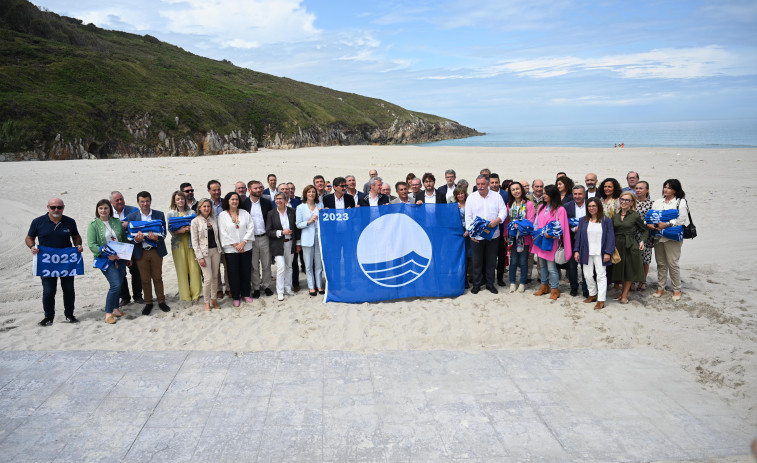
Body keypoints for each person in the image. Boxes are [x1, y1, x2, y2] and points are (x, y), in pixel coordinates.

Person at [26, 198, 83, 326]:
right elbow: (30, 237)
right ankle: (48, 316)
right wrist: (32, 246)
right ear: (48, 207)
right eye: (53, 207)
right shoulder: (38, 222)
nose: (56, 210)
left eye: (59, 207)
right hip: (47, 262)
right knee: (49, 291)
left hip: (66, 261)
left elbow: (76, 236)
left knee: (68, 289)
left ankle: (69, 315)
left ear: (63, 207)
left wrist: (78, 245)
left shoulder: (70, 221)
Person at [126, 191, 170, 315]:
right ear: (138, 203)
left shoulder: (159, 214)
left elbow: (164, 233)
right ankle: (148, 303)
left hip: (156, 250)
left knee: (157, 277)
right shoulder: (132, 217)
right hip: (141, 251)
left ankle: (161, 301)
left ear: (150, 201)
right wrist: (136, 239)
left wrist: (157, 238)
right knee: (145, 279)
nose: (145, 204)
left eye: (147, 201)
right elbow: (129, 236)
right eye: (142, 201)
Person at [87, 199, 129, 324]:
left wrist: (127, 256)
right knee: (115, 284)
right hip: (105, 259)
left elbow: (124, 238)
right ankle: (108, 313)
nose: (103, 210)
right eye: (101, 208)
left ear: (110, 209)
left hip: (120, 258)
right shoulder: (93, 225)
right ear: (97, 210)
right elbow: (92, 245)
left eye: (105, 208)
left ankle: (116, 309)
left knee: (120, 282)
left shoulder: (116, 222)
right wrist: (107, 254)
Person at [464, 175, 506, 294]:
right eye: (478, 184)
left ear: (487, 184)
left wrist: (497, 220)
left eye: (482, 184)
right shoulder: (471, 197)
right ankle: (477, 285)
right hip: (476, 236)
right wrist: (471, 233)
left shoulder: (496, 197)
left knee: (491, 261)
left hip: (493, 235)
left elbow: (503, 211)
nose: (480, 187)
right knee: (477, 261)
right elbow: (468, 217)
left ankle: (489, 284)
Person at [649, 179, 689, 302]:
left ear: (675, 190)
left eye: (669, 188)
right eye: (665, 187)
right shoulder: (658, 201)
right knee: (660, 263)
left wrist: (666, 224)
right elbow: (652, 216)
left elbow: (681, 219)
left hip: (672, 237)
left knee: (673, 263)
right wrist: (654, 225)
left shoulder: (680, 202)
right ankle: (661, 287)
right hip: (658, 235)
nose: (666, 189)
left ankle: (677, 289)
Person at [573, 198, 615, 310]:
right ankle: (592, 294)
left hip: (600, 253)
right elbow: (579, 237)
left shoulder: (606, 220)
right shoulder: (583, 220)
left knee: (601, 275)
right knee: (587, 275)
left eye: (594, 206)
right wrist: (576, 250)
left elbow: (611, 238)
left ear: (599, 207)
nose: (591, 208)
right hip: (586, 251)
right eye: (589, 206)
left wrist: (608, 252)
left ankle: (601, 299)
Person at [531, 185, 572, 300]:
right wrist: (535, 234)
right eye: (543, 193)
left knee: (551, 267)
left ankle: (555, 289)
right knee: (542, 265)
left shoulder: (560, 209)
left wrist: (553, 234)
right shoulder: (540, 208)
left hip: (552, 242)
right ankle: (544, 286)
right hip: (540, 241)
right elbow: (536, 223)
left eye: (546, 193)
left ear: (552, 195)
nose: (543, 195)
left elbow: (563, 228)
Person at [610, 191, 649, 304]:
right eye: (622, 199)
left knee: (629, 271)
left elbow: (645, 230)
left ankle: (624, 295)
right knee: (620, 270)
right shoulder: (615, 215)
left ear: (632, 202)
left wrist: (642, 241)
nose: (624, 202)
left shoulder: (635, 216)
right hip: (617, 245)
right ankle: (622, 292)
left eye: (627, 200)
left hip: (630, 244)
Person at [218, 192, 255, 306]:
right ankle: (235, 296)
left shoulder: (245, 213)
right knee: (233, 273)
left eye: (236, 199)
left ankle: (246, 294)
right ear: (228, 201)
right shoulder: (222, 215)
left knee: (245, 271)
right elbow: (223, 233)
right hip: (231, 249)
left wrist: (243, 243)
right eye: (232, 199)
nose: (235, 201)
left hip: (246, 247)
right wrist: (236, 245)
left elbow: (250, 227)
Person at [167, 190, 202, 302]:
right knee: (181, 270)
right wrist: (180, 230)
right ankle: (185, 296)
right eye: (178, 199)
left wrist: (189, 229)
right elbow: (170, 230)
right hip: (178, 244)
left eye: (182, 199)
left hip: (191, 243)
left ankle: (196, 295)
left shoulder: (192, 212)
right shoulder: (171, 213)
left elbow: (197, 227)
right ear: (174, 201)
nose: (180, 201)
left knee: (194, 268)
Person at [110, 191, 143, 306]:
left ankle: (138, 296)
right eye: (117, 200)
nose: (120, 202)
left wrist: (128, 225)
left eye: (121, 199)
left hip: (133, 245)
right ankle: (125, 297)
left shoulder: (133, 210)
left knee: (136, 272)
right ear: (111, 202)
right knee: (120, 272)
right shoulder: (107, 212)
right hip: (117, 247)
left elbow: (140, 223)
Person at [190, 198, 223, 311]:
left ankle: (214, 299)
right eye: (204, 206)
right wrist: (199, 257)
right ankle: (206, 301)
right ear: (199, 208)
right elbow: (195, 242)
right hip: (204, 253)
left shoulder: (214, 219)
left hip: (215, 251)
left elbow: (218, 236)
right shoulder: (195, 221)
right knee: (208, 278)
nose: (206, 208)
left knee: (215, 276)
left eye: (208, 206)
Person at [267, 192, 299, 301]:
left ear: (285, 200)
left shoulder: (292, 211)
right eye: (276, 199)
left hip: (290, 243)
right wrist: (281, 232)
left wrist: (298, 243)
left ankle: (288, 288)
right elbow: (269, 231)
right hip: (278, 244)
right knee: (281, 267)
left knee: (289, 267)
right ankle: (280, 291)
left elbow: (296, 228)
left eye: (280, 198)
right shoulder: (271, 213)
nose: (278, 201)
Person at [505, 181, 535, 293]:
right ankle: (512, 282)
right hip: (512, 237)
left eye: (517, 189)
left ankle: (522, 283)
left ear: (521, 190)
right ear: (511, 192)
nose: (516, 191)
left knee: (523, 261)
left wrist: (519, 225)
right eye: (513, 190)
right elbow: (507, 221)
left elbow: (531, 221)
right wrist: (506, 234)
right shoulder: (509, 204)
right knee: (513, 261)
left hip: (524, 237)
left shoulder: (529, 204)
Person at [247, 180, 274, 298]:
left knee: (267, 264)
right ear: (249, 190)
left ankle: (267, 286)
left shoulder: (266, 202)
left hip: (264, 237)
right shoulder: (244, 204)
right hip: (251, 239)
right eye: (255, 188)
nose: (258, 190)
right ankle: (256, 287)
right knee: (254, 266)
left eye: (259, 188)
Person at [296, 185, 324, 296]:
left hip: (319, 236)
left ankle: (319, 285)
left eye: (313, 192)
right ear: (305, 194)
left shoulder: (320, 205)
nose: (311, 194)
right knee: (308, 264)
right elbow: (298, 224)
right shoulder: (300, 207)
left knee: (318, 264)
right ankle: (311, 287)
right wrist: (309, 221)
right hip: (307, 237)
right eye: (309, 192)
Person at [563, 185, 589, 297]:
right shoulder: (566, 206)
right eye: (575, 194)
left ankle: (586, 289)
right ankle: (574, 287)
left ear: (584, 194)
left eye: (580, 194)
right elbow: (563, 224)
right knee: (572, 266)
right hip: (572, 240)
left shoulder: (591, 205)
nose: (577, 196)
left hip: (588, 240)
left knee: (586, 265)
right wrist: (574, 228)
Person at [208, 180, 230, 299]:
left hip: (226, 238)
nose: (217, 192)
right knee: (215, 266)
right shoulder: (207, 205)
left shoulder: (225, 203)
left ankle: (229, 288)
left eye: (218, 189)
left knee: (228, 265)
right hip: (212, 240)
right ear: (209, 191)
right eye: (214, 190)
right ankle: (218, 289)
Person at [488, 173, 508, 286]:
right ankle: (488, 278)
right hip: (489, 231)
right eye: (492, 182)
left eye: (496, 182)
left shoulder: (505, 195)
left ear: (499, 183)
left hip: (502, 231)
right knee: (489, 257)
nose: (494, 185)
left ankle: (500, 279)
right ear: (489, 183)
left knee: (501, 256)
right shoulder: (486, 194)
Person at [634, 181, 654, 291]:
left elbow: (655, 219)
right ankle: (632, 280)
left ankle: (642, 281)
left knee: (645, 259)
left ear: (647, 190)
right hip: (633, 234)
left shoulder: (652, 204)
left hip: (646, 234)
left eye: (641, 188)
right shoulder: (632, 202)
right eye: (637, 188)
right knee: (633, 258)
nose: (638, 190)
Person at [455, 186, 471, 288]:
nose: (461, 195)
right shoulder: (454, 205)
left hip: (469, 230)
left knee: (469, 256)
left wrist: (468, 230)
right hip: (458, 232)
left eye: (462, 193)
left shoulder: (470, 203)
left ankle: (469, 278)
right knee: (461, 257)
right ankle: (463, 280)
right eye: (458, 194)